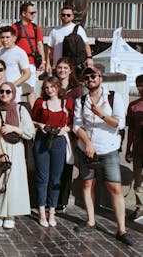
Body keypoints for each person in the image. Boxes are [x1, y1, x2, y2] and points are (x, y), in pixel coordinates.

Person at [73, 66, 134, 246]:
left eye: (93, 76)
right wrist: (88, 144)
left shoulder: (113, 97)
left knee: (115, 187)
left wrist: (101, 114)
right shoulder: (81, 99)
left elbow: (119, 124)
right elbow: (77, 125)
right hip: (87, 148)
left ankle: (121, 229)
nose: (90, 79)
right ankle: (91, 221)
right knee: (86, 183)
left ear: (100, 78)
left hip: (108, 149)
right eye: (87, 77)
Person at [0, 82, 35, 229]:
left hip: (16, 148)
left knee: (13, 182)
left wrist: (13, 128)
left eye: (8, 91)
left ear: (13, 93)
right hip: (0, 147)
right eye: (2, 91)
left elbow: (30, 132)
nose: (4, 94)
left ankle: (10, 214)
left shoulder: (20, 109)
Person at [32, 76, 73, 227]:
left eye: (52, 87)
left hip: (59, 141)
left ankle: (52, 211)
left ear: (58, 87)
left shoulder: (66, 103)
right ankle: (42, 211)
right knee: (42, 177)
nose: (49, 90)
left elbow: (72, 123)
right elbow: (32, 120)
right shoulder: (40, 103)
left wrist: (64, 129)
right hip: (42, 140)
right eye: (47, 87)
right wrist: (40, 125)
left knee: (56, 178)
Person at [55, 57, 83, 212]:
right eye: (60, 67)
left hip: (70, 131)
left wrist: (71, 128)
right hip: (55, 131)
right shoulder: (53, 85)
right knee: (55, 166)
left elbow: (79, 113)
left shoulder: (76, 90)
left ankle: (62, 200)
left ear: (70, 70)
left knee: (67, 165)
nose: (62, 71)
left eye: (65, 68)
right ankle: (52, 198)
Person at [12, 2, 45, 107]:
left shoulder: (36, 28)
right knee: (15, 89)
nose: (33, 14)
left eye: (34, 12)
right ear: (23, 13)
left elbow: (40, 44)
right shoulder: (15, 27)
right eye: (31, 12)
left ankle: (33, 114)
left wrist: (43, 61)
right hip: (17, 64)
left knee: (31, 90)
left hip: (31, 62)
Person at [46, 5, 93, 72]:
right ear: (60, 16)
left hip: (72, 66)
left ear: (73, 16)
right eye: (63, 15)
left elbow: (86, 44)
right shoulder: (55, 30)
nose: (65, 16)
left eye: (68, 15)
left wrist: (89, 58)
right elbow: (50, 49)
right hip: (57, 66)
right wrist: (48, 64)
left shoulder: (78, 29)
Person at [0, 26, 30, 102]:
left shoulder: (20, 53)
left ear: (14, 38)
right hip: (1, 90)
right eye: (2, 37)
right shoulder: (1, 51)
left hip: (13, 91)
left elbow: (27, 73)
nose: (4, 40)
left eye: (7, 37)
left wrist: (13, 85)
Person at [126, 74, 143, 224]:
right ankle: (140, 207)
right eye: (139, 84)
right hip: (138, 148)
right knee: (138, 181)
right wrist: (128, 148)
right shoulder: (133, 105)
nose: (141, 87)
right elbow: (130, 129)